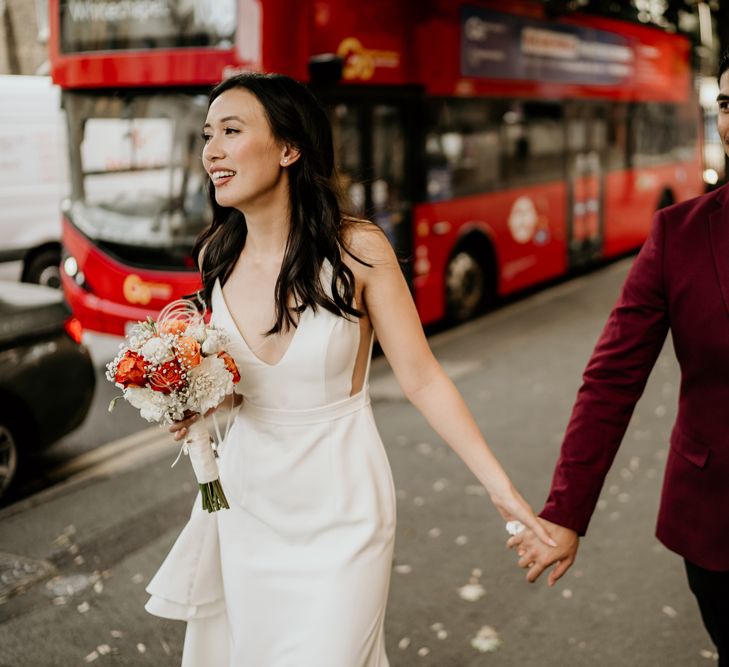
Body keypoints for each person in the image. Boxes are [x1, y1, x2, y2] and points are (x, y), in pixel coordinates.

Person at [144, 72, 555, 667]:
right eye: (208, 134)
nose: (212, 150)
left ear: (290, 148)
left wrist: (503, 490)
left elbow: (422, 379)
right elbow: (242, 389)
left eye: (232, 131)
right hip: (248, 506)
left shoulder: (360, 249)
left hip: (344, 506)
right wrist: (194, 403)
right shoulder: (216, 256)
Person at [508, 51, 729, 664]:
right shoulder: (678, 235)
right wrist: (565, 512)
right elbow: (611, 381)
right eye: (727, 104)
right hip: (718, 527)